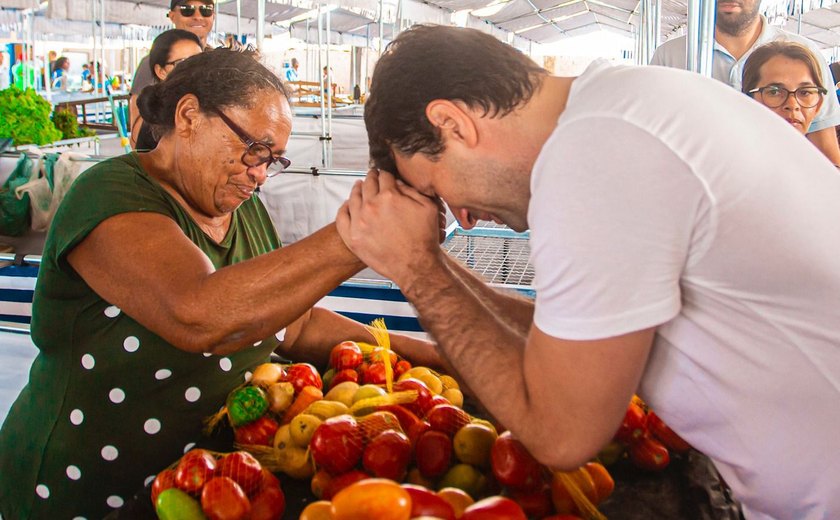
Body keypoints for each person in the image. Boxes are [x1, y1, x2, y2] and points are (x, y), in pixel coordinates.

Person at [336, 25, 840, 520]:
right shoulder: (621, 111)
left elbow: (561, 433)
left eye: (436, 184)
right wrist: (430, 262)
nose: (461, 216)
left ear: (451, 123)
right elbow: (570, 345)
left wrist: (418, 268)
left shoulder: (595, 154)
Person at [0, 47, 438, 519]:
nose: (262, 173)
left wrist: (432, 356)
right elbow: (198, 314)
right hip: (82, 489)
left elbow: (296, 325)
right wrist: (360, 236)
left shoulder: (240, 207)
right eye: (255, 149)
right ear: (189, 116)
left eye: (274, 160)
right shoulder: (110, 193)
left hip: (200, 487)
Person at [650, 0, 840, 165]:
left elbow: (826, 150)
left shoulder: (804, 53)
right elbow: (653, 141)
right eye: (775, 92)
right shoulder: (670, 56)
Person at [129, 0, 215, 148]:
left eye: (206, 10)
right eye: (187, 10)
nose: (197, 16)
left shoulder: (218, 60)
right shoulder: (152, 61)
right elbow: (137, 129)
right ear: (172, 15)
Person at [741, 42, 828, 142]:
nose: (792, 104)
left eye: (804, 93)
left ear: (818, 105)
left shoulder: (815, 157)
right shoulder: (727, 156)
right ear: (747, 101)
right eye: (774, 92)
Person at [133, 29, 203, 150]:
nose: (194, 69)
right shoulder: (155, 122)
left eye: (200, 61)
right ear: (161, 71)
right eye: (182, 63)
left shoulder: (214, 107)